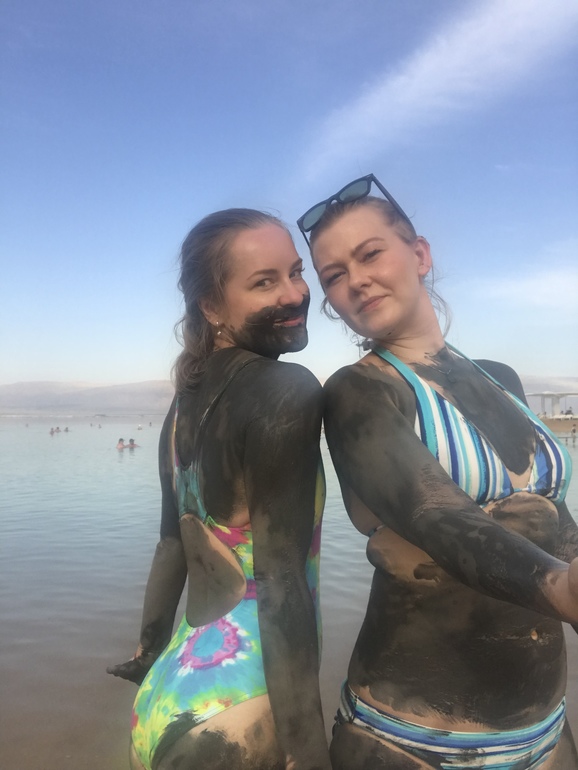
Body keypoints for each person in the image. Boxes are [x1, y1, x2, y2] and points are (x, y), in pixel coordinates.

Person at [297, 174, 578, 769]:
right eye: (334, 276)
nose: (356, 280)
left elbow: (555, 520)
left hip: (544, 729)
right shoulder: (359, 393)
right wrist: (562, 588)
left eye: (370, 254)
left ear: (420, 255)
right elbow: (435, 515)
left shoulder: (501, 377)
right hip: (411, 738)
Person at [108, 209, 330, 770]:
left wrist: (148, 650)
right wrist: (307, 750)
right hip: (242, 701)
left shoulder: (183, 402)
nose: (294, 294)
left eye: (296, 272)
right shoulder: (285, 389)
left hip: (166, 690)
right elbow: (279, 580)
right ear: (211, 306)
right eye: (264, 282)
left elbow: (170, 545)